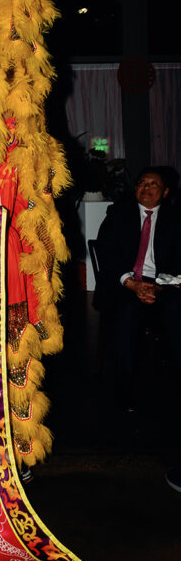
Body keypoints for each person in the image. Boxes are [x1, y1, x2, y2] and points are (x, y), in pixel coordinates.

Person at [94, 167, 181, 417]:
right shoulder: (118, 213)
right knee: (127, 314)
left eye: (154, 184)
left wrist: (159, 286)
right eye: (142, 183)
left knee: (175, 312)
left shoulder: (175, 218)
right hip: (124, 282)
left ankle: (172, 384)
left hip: (164, 284)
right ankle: (124, 390)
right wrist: (131, 283)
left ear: (165, 192)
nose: (146, 188)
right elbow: (106, 254)